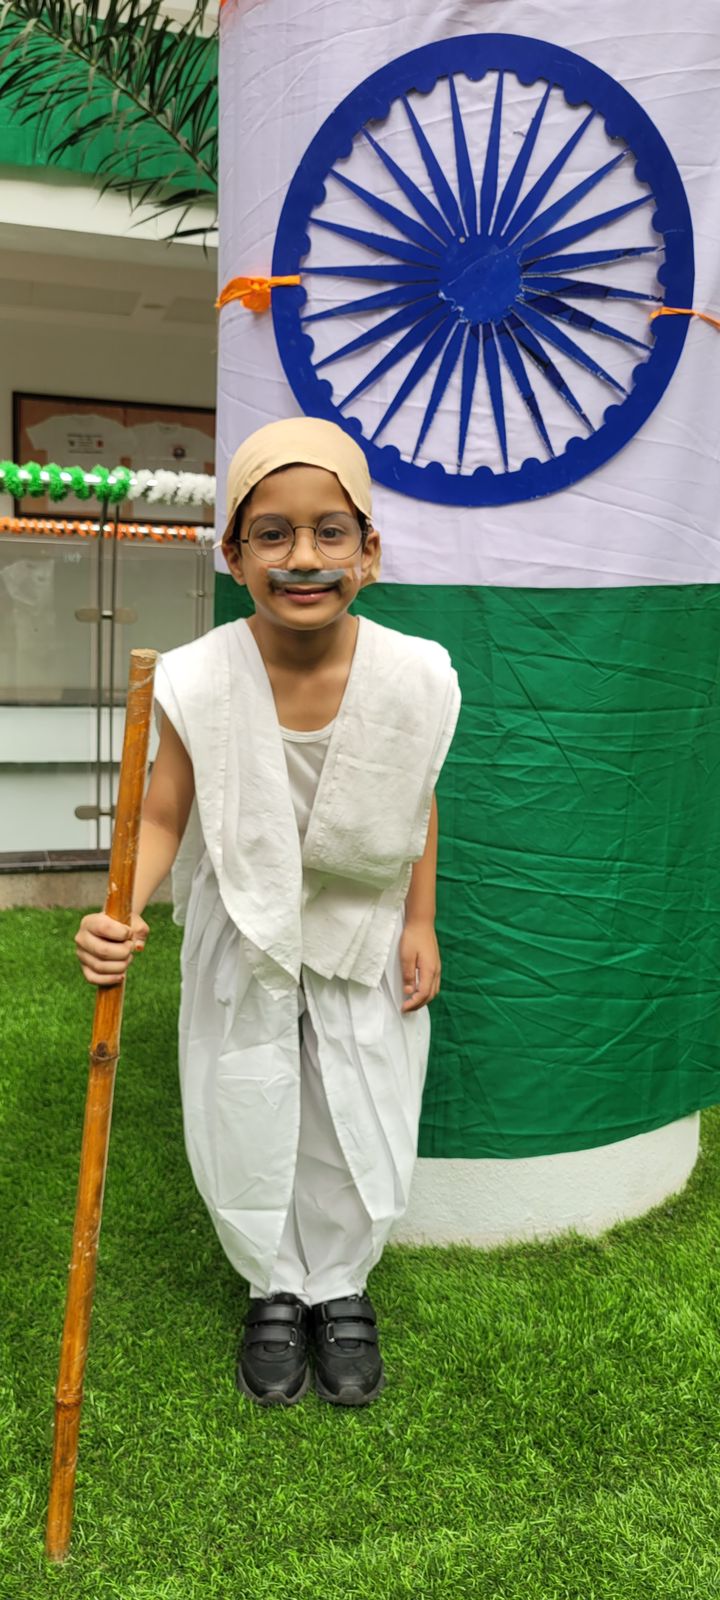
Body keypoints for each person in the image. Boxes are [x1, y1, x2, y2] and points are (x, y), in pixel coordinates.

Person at [75, 417, 461, 1409]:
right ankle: (273, 1285)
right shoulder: (199, 676)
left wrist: (420, 922)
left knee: (356, 1099)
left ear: (369, 550)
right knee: (244, 1093)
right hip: (241, 930)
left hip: (362, 928)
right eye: (273, 533)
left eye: (331, 531)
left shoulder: (416, 675)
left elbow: (414, 801)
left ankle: (340, 1283)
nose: (303, 557)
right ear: (233, 553)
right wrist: (122, 909)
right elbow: (165, 809)